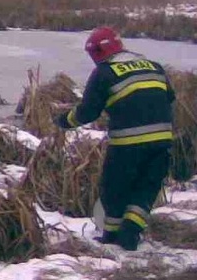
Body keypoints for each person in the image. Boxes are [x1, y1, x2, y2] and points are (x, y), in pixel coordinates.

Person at [55, 26, 175, 251]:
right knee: (146, 188)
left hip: (128, 143)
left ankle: (111, 237)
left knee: (115, 188)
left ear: (98, 52)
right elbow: (170, 96)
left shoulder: (104, 72)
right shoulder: (154, 66)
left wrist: (63, 121)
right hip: (162, 141)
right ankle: (130, 232)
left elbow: (87, 112)